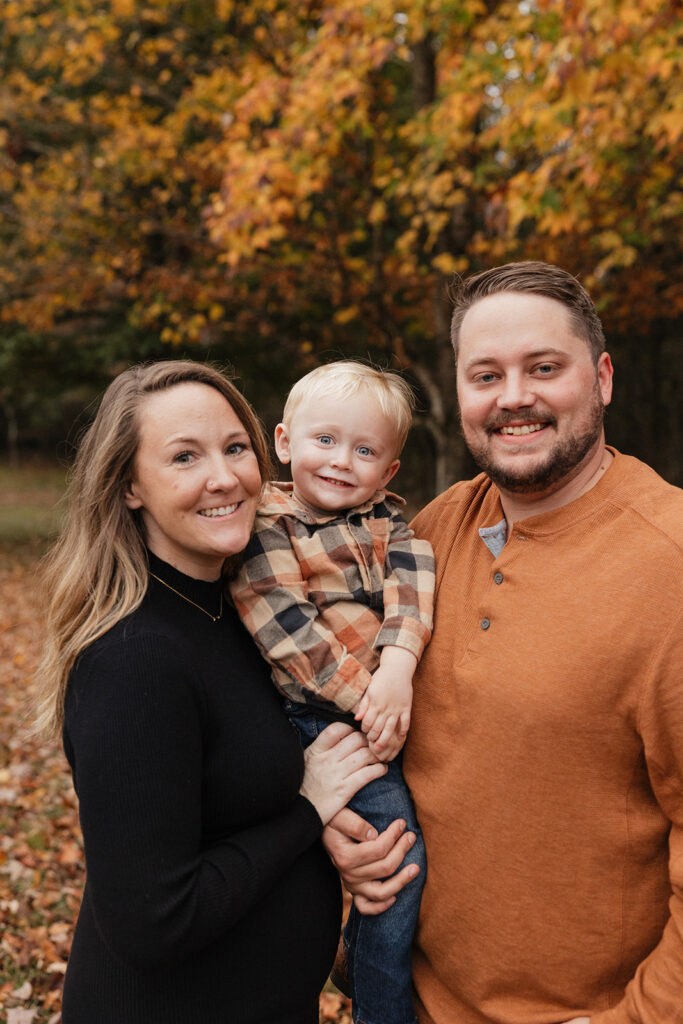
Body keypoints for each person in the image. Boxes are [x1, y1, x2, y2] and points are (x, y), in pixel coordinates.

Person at [323, 262, 683, 1024]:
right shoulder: (432, 530)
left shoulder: (669, 562)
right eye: (484, 374)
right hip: (402, 998)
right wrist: (334, 822)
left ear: (602, 378)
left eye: (543, 368)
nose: (512, 396)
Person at [33, 360, 387, 1024]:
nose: (223, 477)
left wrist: (331, 832)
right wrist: (307, 812)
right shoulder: (135, 662)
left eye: (234, 448)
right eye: (184, 457)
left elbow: (240, 790)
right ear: (130, 486)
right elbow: (152, 923)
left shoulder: (244, 612)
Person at [230, 361, 435, 1024]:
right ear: (285, 442)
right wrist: (368, 699)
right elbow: (288, 630)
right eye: (324, 441)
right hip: (320, 720)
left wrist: (398, 673)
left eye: (364, 450)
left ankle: (355, 952)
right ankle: (381, 1009)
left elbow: (412, 601)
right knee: (397, 863)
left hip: (384, 710)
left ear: (389, 471)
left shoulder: (394, 530)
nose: (341, 461)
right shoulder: (269, 526)